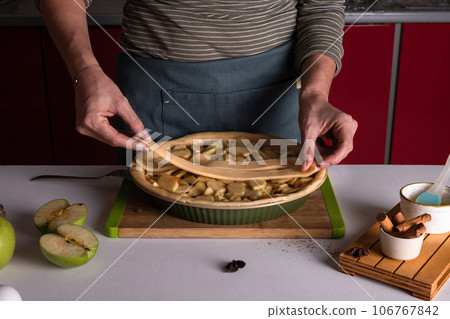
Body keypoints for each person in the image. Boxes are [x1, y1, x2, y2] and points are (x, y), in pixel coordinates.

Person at [39, 0, 357, 170]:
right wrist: (85, 71)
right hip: (153, 96)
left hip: (276, 99)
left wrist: (315, 91)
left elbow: (321, 6)